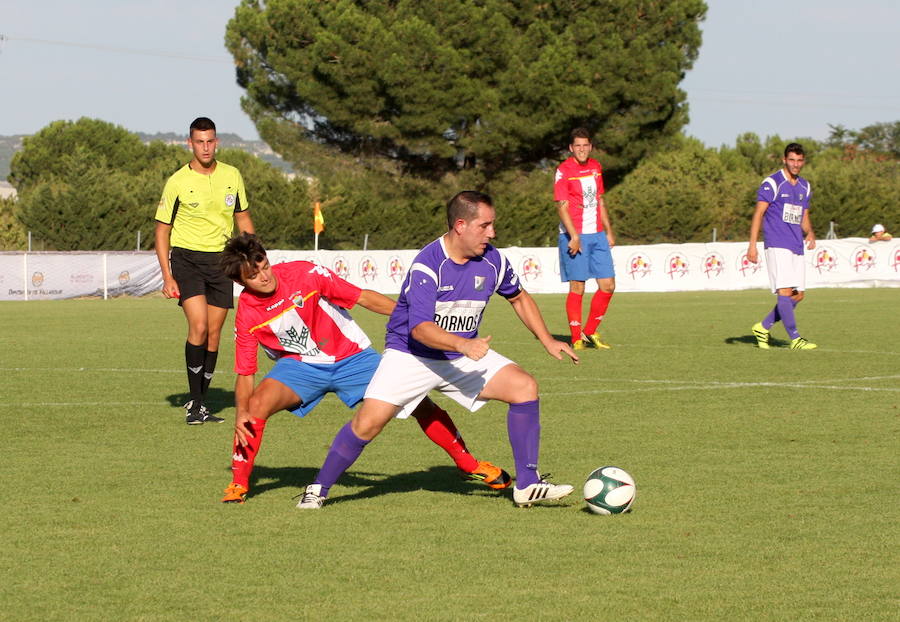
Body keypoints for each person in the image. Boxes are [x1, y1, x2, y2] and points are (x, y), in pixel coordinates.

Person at [295, 191, 579, 510]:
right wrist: (462, 343)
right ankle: (318, 488)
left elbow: (519, 297)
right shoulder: (428, 265)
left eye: (492, 225)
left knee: (524, 387)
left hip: (460, 355)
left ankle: (527, 484)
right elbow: (420, 328)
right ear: (461, 225)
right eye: (485, 226)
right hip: (411, 356)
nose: (492, 233)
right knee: (368, 423)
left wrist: (547, 339)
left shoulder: (493, 259)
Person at [219, 233, 510, 504]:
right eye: (253, 276)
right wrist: (240, 413)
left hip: (354, 358)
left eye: (265, 266)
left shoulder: (304, 273)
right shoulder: (246, 314)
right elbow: (245, 372)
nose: (264, 276)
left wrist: (410, 314)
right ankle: (239, 483)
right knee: (253, 406)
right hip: (301, 366)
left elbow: (361, 297)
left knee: (420, 402)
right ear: (241, 282)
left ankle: (469, 464)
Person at [154, 117, 255, 424]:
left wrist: (253, 257)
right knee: (198, 327)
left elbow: (244, 220)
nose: (205, 147)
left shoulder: (232, 175)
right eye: (199, 141)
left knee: (213, 335)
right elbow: (161, 231)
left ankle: (201, 403)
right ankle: (195, 403)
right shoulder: (177, 182)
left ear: (217, 141)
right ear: (190, 143)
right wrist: (167, 276)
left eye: (210, 141)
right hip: (187, 260)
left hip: (222, 263)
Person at [748, 143, 817, 350]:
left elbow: (803, 215)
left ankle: (763, 327)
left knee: (798, 294)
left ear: (803, 161)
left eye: (799, 160)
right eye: (792, 160)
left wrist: (810, 232)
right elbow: (758, 213)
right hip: (777, 243)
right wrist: (752, 245)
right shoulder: (772, 183)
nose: (796, 164)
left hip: (796, 244)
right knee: (785, 291)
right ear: (784, 160)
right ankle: (795, 338)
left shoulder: (805, 186)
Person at [554, 127, 617, 351]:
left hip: (597, 235)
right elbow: (562, 207)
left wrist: (608, 230)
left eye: (585, 145)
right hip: (575, 235)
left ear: (590, 146)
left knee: (608, 285)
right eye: (577, 146)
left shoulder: (596, 167)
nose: (582, 149)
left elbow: (600, 201)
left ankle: (590, 330)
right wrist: (573, 236)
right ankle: (576, 337)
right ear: (571, 148)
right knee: (578, 286)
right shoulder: (563, 170)